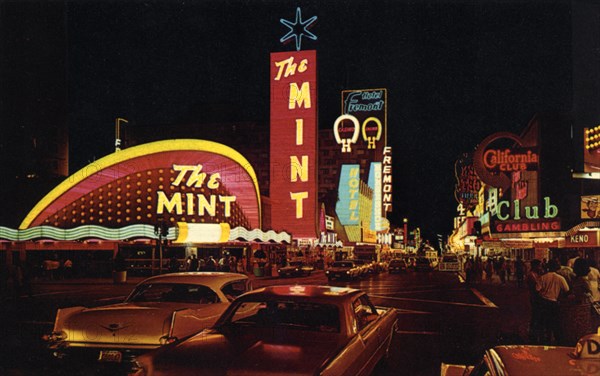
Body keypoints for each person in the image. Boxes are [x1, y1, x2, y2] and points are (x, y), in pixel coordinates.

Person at [536, 259, 569, 344]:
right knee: (555, 323)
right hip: (554, 302)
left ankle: (545, 340)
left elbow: (537, 290)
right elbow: (567, 290)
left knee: (544, 323)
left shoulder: (543, 277)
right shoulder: (560, 278)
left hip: (543, 302)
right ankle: (557, 341)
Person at [525, 259, 543, 344]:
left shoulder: (536, 274)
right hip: (534, 297)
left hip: (536, 297)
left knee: (536, 315)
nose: (540, 267)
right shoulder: (531, 275)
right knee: (535, 314)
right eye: (539, 265)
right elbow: (535, 287)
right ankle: (533, 334)